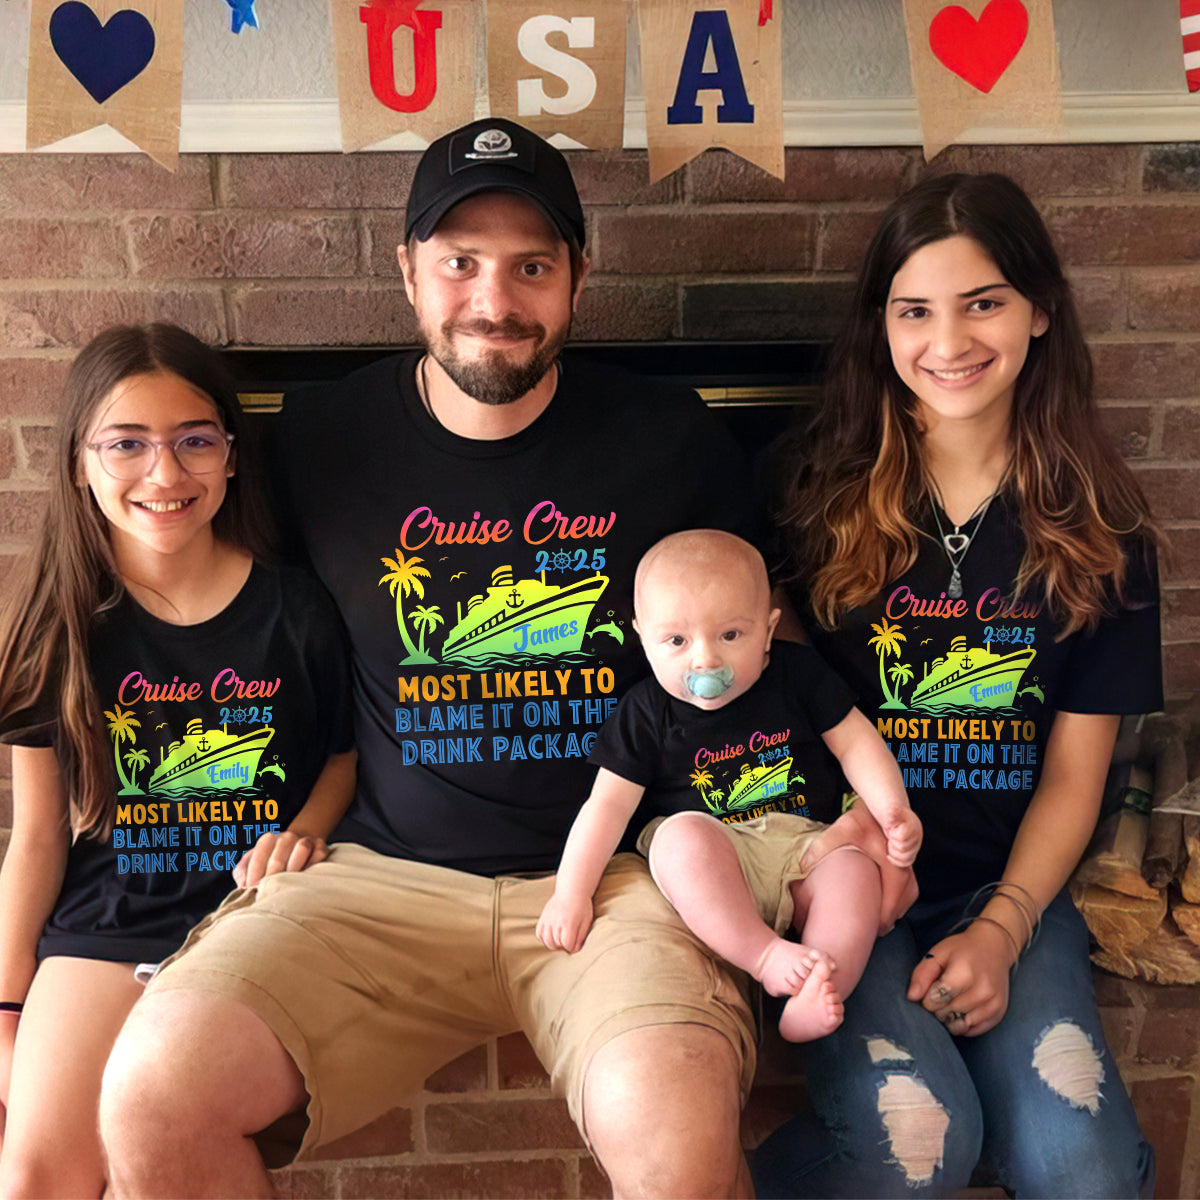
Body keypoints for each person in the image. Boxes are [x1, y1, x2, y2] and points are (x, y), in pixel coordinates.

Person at [99, 119, 764, 1198]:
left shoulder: (670, 437)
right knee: (152, 1098)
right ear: (408, 270)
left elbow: (764, 651)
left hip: (618, 875)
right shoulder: (317, 438)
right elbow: (228, 615)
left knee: (682, 1138)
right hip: (376, 878)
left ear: (578, 279)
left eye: (531, 267)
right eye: (460, 262)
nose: (494, 301)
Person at [753, 173, 1162, 1199]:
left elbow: (1076, 774)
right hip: (847, 885)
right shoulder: (810, 497)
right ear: (881, 325)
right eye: (915, 311)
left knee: (1086, 1172)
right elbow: (764, 704)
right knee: (918, 1143)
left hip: (1007, 883)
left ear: (1040, 310)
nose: (949, 341)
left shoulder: (1102, 530)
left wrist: (1005, 926)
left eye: (982, 302)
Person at [0, 323, 356, 1198]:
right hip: (106, 924)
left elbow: (341, 761)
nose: (164, 474)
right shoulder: (54, 625)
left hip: (250, 919)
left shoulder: (297, 610)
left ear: (231, 456)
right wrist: (6, 1001)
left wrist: (303, 832)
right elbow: (37, 834)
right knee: (36, 1174)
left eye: (194, 441)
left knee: (159, 1148)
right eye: (127, 444)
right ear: (79, 463)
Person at [538, 528, 921, 1043]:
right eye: (677, 641)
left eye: (731, 635)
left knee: (854, 875)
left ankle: (819, 984)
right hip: (717, 857)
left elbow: (855, 743)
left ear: (768, 630)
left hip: (806, 847)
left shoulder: (798, 675)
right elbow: (606, 805)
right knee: (678, 841)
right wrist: (571, 893)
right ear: (643, 638)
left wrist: (892, 809)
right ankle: (764, 957)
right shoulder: (646, 712)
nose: (705, 661)